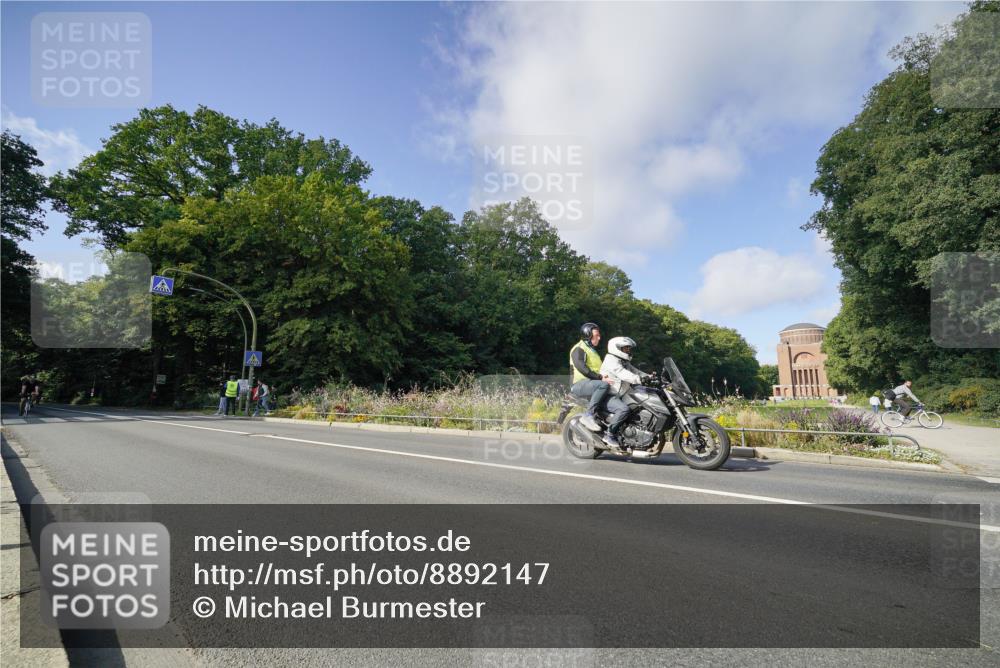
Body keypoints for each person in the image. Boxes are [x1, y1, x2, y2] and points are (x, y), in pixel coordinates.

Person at [599, 336, 653, 448]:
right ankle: (609, 434)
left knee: (640, 405)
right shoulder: (611, 360)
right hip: (609, 395)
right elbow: (622, 373)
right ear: (617, 348)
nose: (628, 350)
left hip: (621, 393)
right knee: (624, 409)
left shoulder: (623, 361)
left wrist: (649, 377)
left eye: (628, 348)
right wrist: (639, 379)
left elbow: (635, 371)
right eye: (625, 348)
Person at [569, 322, 611, 431]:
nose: (599, 338)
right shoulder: (579, 349)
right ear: (588, 335)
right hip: (580, 384)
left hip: (592, 383)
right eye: (596, 335)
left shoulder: (592, 351)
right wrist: (600, 377)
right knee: (603, 385)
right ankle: (589, 415)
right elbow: (582, 368)